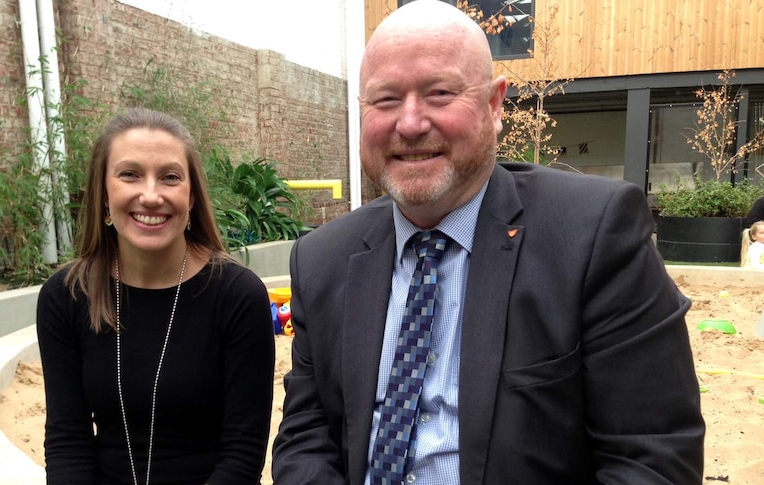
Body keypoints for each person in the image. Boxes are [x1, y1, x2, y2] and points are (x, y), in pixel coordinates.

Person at [271, 1, 705, 484]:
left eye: (439, 93)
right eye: (386, 99)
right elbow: (305, 439)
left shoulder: (593, 235)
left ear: (495, 104)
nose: (410, 123)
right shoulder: (322, 260)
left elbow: (654, 459)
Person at [37, 107, 274, 485]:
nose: (150, 196)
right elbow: (68, 441)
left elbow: (243, 454)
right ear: (103, 191)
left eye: (169, 177)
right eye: (130, 174)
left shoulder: (238, 296)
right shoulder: (66, 296)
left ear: (192, 196)